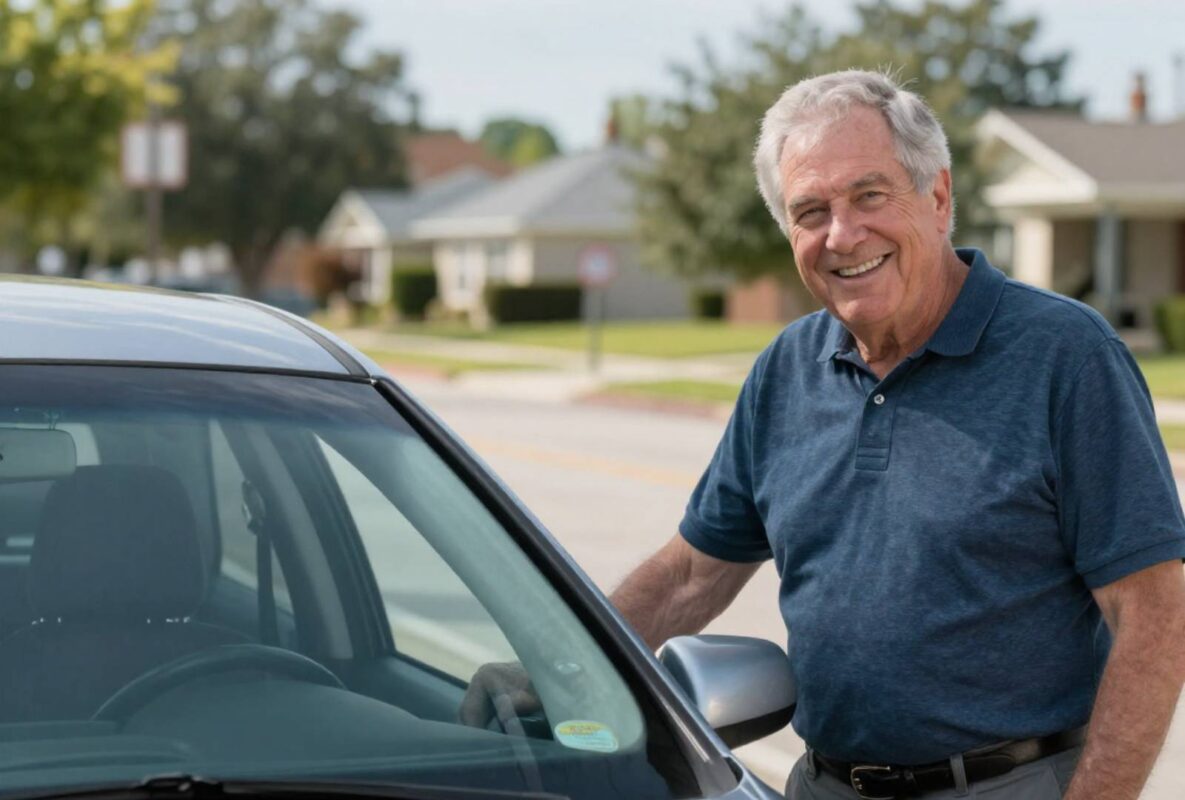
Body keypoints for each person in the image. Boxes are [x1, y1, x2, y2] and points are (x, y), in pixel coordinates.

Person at [464, 70, 1185, 800]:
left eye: (869, 195)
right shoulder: (786, 369)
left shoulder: (1063, 355)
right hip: (822, 785)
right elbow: (690, 574)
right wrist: (559, 667)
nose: (842, 234)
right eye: (810, 211)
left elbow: (1154, 612)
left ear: (936, 199)